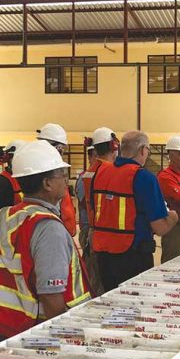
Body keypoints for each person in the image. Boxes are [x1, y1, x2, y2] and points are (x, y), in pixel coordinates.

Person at [0, 141, 91, 340]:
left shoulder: (6, 216)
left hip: (9, 325)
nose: (65, 180)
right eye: (62, 175)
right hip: (39, 331)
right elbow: (51, 295)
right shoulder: (48, 228)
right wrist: (64, 338)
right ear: (47, 183)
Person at [91, 130, 178, 292]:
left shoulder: (101, 173)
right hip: (133, 257)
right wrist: (173, 217)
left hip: (103, 257)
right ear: (143, 150)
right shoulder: (144, 177)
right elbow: (160, 227)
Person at [74, 127, 119, 297]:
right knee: (96, 278)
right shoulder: (109, 173)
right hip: (94, 233)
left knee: (98, 276)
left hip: (96, 232)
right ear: (113, 147)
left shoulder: (87, 175)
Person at [37, 123, 77, 236]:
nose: (62, 152)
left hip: (60, 228)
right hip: (53, 229)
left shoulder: (53, 168)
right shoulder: (44, 171)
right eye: (62, 148)